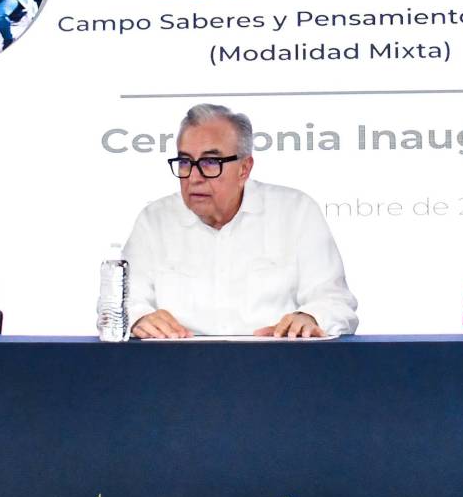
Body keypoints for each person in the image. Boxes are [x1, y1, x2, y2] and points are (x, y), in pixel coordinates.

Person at [123, 103, 357, 338]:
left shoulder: (296, 212)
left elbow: (335, 301)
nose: (194, 177)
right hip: (178, 366)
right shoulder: (154, 220)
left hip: (277, 366)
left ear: (244, 169)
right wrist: (139, 318)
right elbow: (121, 305)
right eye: (185, 162)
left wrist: (310, 318)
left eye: (210, 163)